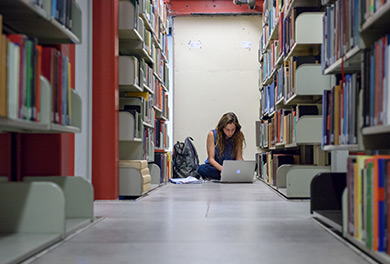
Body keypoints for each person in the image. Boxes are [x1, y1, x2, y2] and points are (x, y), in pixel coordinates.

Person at [197, 112, 246, 180]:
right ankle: (230, 176)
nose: (230, 133)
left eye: (233, 130)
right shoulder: (212, 135)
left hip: (231, 169)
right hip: (216, 167)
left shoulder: (238, 135)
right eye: (227, 130)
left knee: (253, 167)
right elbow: (211, 159)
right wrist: (223, 170)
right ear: (222, 128)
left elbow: (239, 158)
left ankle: (229, 176)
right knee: (201, 169)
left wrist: (243, 168)